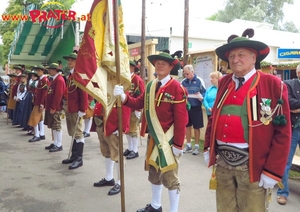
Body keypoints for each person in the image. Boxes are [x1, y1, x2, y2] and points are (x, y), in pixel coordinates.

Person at [204, 28, 291, 212]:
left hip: (253, 166)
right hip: (223, 164)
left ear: (254, 58)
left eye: (241, 54)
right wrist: (207, 147)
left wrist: (273, 171)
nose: (235, 59)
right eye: (232, 55)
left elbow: (283, 133)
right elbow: (214, 117)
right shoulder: (225, 82)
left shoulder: (273, 84)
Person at [114, 52, 188, 212]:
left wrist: (179, 144)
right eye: (157, 63)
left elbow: (181, 119)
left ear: (170, 67)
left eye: (164, 63)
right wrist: (124, 97)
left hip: (169, 139)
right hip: (153, 138)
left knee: (170, 176)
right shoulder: (150, 86)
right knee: (154, 172)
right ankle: (156, 205)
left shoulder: (177, 88)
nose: (160, 65)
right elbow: (139, 102)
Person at [93, 101, 130, 195]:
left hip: (113, 126)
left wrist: (122, 127)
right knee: (106, 152)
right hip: (102, 124)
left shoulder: (119, 88)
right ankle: (109, 178)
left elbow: (125, 108)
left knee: (117, 155)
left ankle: (120, 182)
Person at [276, 64, 300, 205]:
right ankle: (282, 192)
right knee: (285, 162)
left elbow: (294, 105)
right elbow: (287, 102)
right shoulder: (289, 84)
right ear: (298, 72)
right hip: (292, 128)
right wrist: (293, 108)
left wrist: (297, 108)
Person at [61, 52, 88, 169]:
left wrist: (83, 109)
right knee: (72, 132)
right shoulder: (71, 76)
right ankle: (73, 155)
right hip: (70, 108)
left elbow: (84, 94)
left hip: (77, 109)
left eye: (72, 60)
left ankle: (79, 158)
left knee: (78, 133)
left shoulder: (79, 75)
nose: (69, 62)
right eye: (69, 60)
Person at [181, 64, 206, 155]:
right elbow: (180, 92)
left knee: (197, 127)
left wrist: (202, 97)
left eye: (187, 73)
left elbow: (204, 92)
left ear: (192, 72)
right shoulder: (183, 82)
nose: (186, 75)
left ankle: (196, 146)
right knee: (187, 126)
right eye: (185, 74)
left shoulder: (199, 80)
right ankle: (188, 145)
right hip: (186, 107)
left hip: (196, 107)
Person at [123, 60, 145, 160]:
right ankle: (130, 147)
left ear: (132, 67)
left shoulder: (137, 79)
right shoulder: (124, 78)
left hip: (133, 108)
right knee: (127, 129)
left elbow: (141, 95)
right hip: (125, 107)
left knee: (133, 130)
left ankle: (135, 150)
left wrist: (138, 109)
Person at [44, 63, 66, 152]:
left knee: (57, 125)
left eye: (50, 69)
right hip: (52, 106)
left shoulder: (59, 80)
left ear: (55, 70)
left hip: (56, 107)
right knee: (53, 125)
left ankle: (59, 144)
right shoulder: (55, 79)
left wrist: (53, 107)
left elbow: (58, 95)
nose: (49, 71)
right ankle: (55, 142)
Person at [28, 66, 50, 142]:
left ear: (42, 71)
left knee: (34, 117)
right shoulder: (41, 79)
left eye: (38, 71)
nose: (37, 72)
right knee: (40, 118)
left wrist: (41, 103)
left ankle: (36, 134)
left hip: (39, 102)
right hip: (37, 101)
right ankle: (42, 134)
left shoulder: (44, 80)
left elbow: (44, 93)